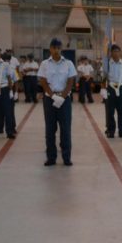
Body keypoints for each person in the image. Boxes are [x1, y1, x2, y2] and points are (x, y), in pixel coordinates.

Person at [38, 38, 77, 166]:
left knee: (65, 130)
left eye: (59, 48)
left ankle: (66, 157)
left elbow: (71, 81)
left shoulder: (68, 63)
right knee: (50, 130)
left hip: (65, 100)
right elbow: (43, 81)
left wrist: (63, 96)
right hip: (49, 100)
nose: (56, 50)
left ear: (61, 49)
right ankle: (51, 157)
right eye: (54, 48)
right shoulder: (44, 64)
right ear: (50, 49)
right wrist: (53, 96)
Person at [101, 44, 122, 138]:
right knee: (110, 111)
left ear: (120, 52)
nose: (116, 53)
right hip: (111, 88)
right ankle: (111, 130)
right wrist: (103, 89)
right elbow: (103, 77)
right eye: (114, 51)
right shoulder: (107, 64)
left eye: (118, 51)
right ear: (111, 53)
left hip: (121, 88)